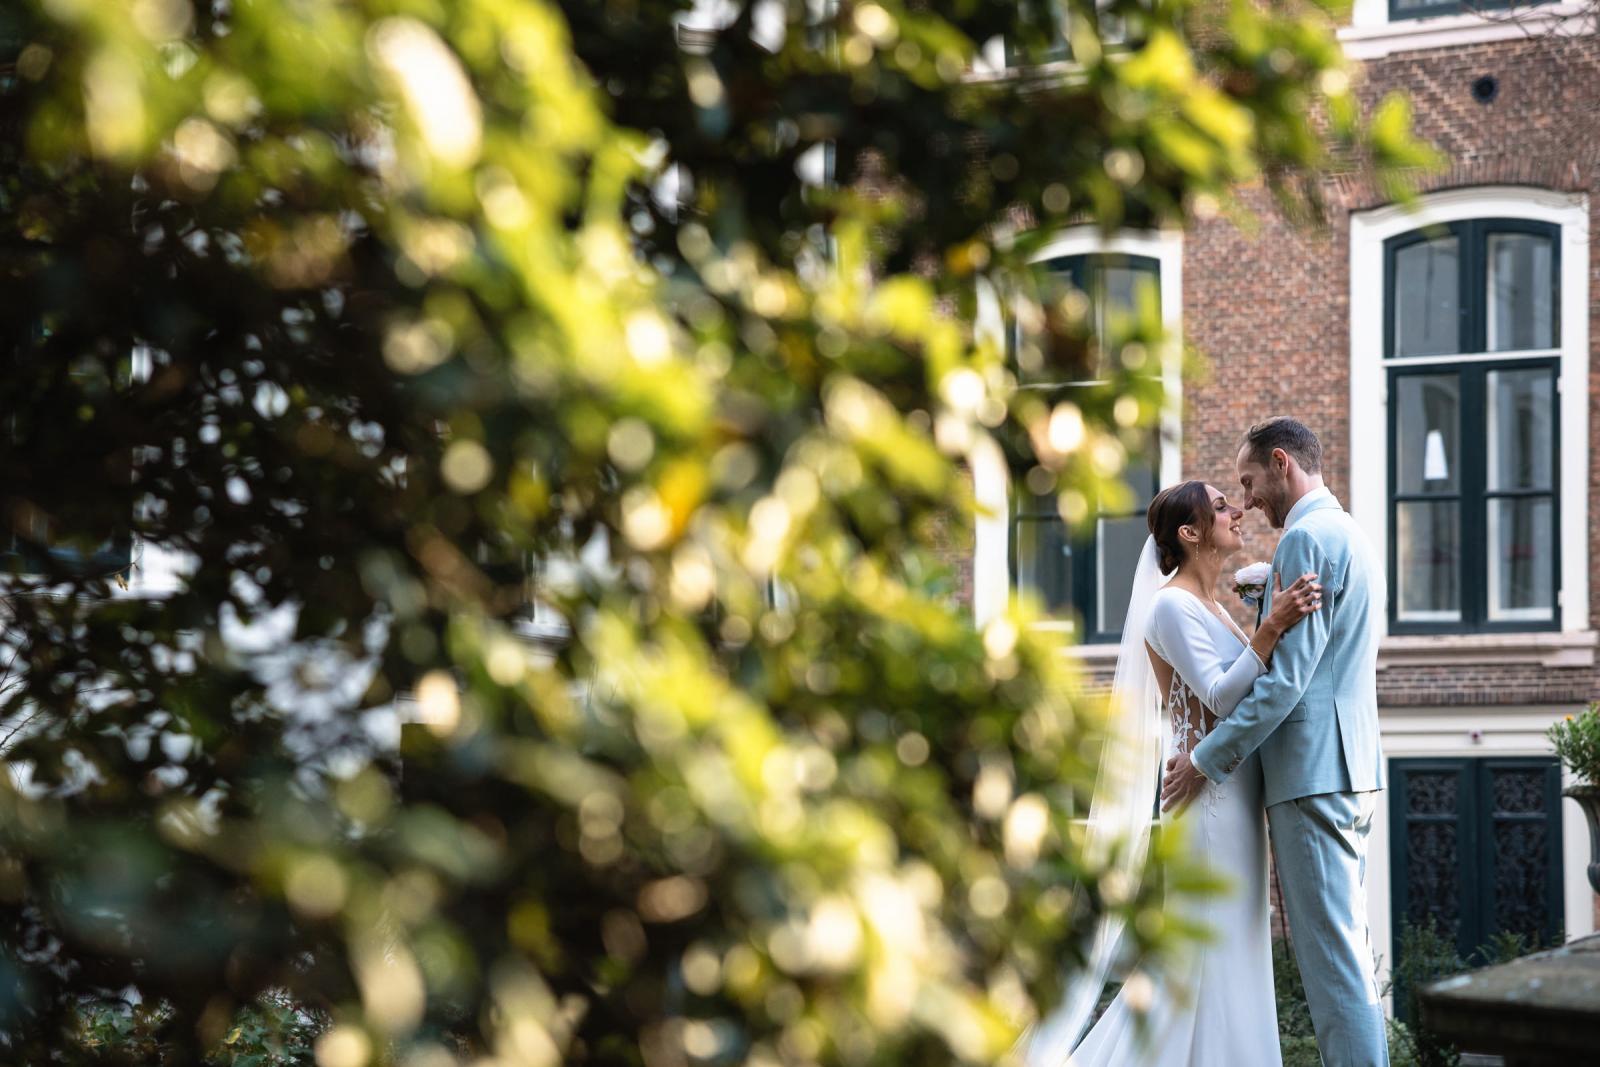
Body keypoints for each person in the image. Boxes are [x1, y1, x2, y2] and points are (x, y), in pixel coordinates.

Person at [1024, 476, 1322, 1067]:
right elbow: (1217, 696)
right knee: (1204, 953)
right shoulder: (1169, 604)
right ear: (1190, 534)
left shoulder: (1210, 603)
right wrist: (1270, 627)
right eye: (1220, 507)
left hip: (1230, 794)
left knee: (1232, 950)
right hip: (1207, 805)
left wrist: (1261, 612)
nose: (1236, 512)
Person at [1163, 416, 1389, 1067]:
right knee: (1346, 952)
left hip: (1311, 775)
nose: (1248, 497)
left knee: (1333, 968)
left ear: (1282, 463)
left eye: (1250, 480)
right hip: (1347, 768)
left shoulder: (1304, 539)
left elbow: (1286, 683)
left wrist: (1205, 760)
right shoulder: (1347, 531)